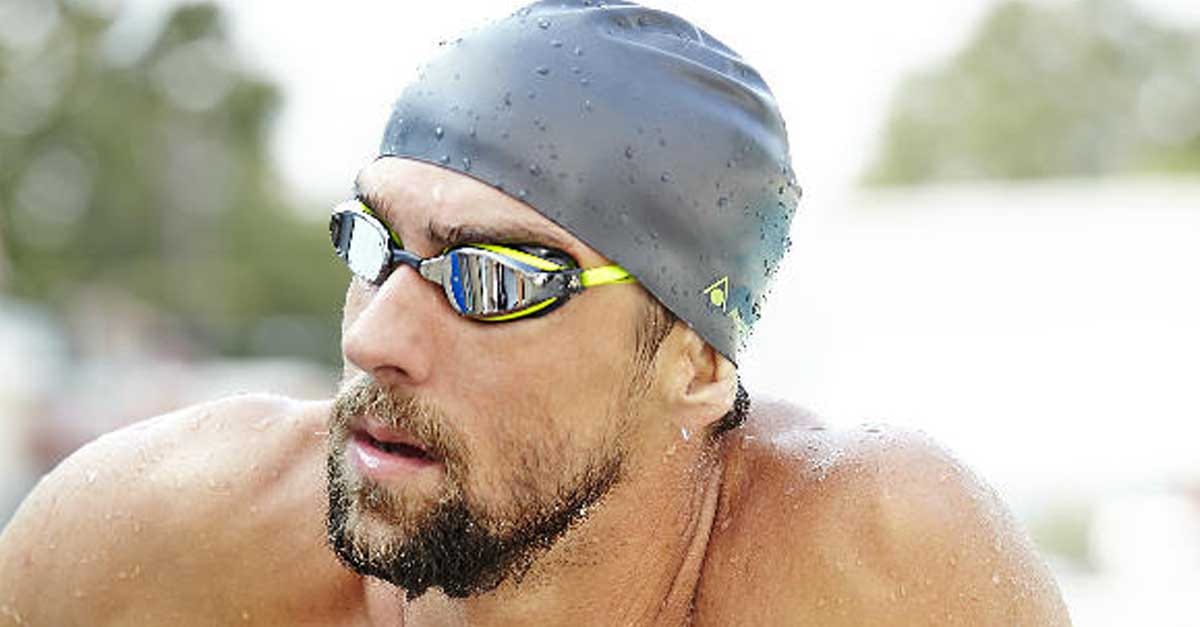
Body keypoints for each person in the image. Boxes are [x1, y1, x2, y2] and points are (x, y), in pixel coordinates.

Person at [0, 2, 1070, 625]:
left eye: (498, 280)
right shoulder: (158, 545)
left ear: (695, 365)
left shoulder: (874, 566)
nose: (374, 337)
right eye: (375, 246)